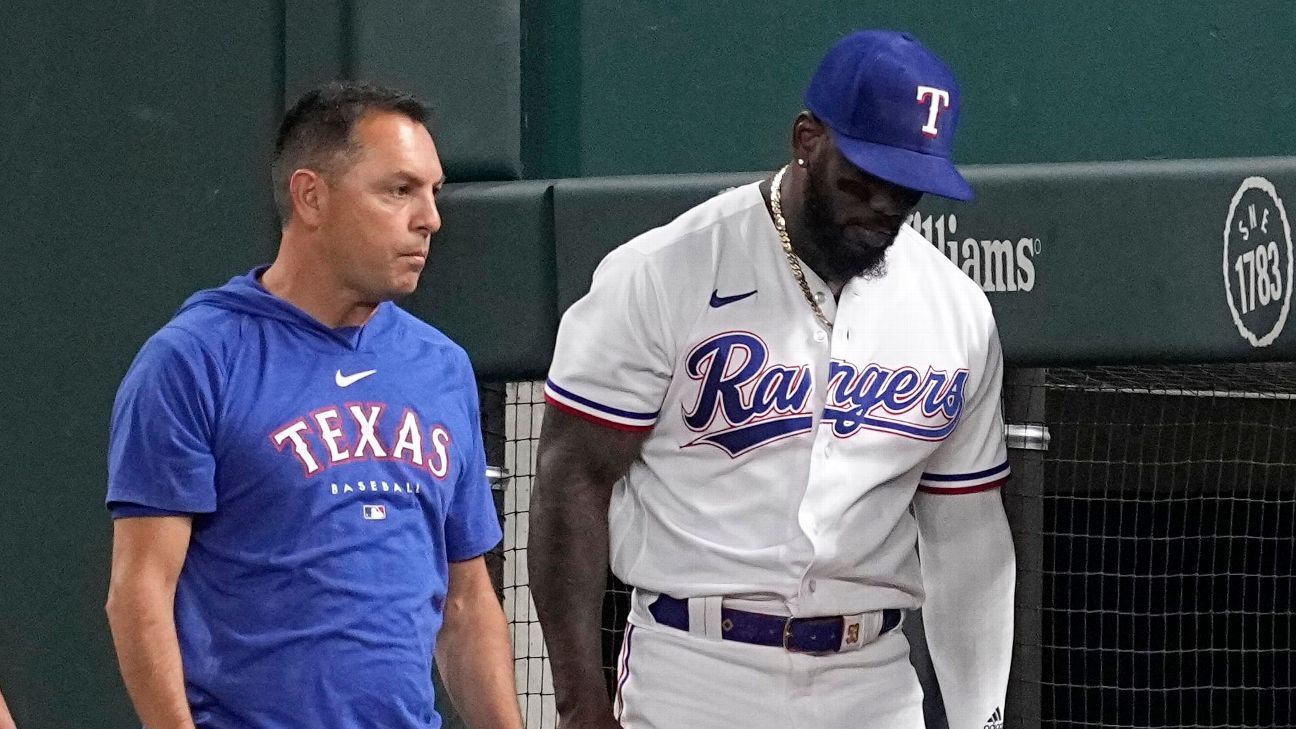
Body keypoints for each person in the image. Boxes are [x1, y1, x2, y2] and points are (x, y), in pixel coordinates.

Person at [529, 30, 1015, 729]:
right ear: (807, 139)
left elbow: (965, 530)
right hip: (696, 671)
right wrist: (580, 708)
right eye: (861, 178)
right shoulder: (664, 273)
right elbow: (571, 476)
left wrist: (982, 720)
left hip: (870, 678)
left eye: (905, 189)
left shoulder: (955, 310)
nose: (882, 204)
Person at [105, 81, 523, 729]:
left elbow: (466, 604)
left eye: (433, 193)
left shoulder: (442, 367)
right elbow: (139, 591)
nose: (430, 218)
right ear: (311, 197)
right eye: (399, 190)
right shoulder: (194, 359)